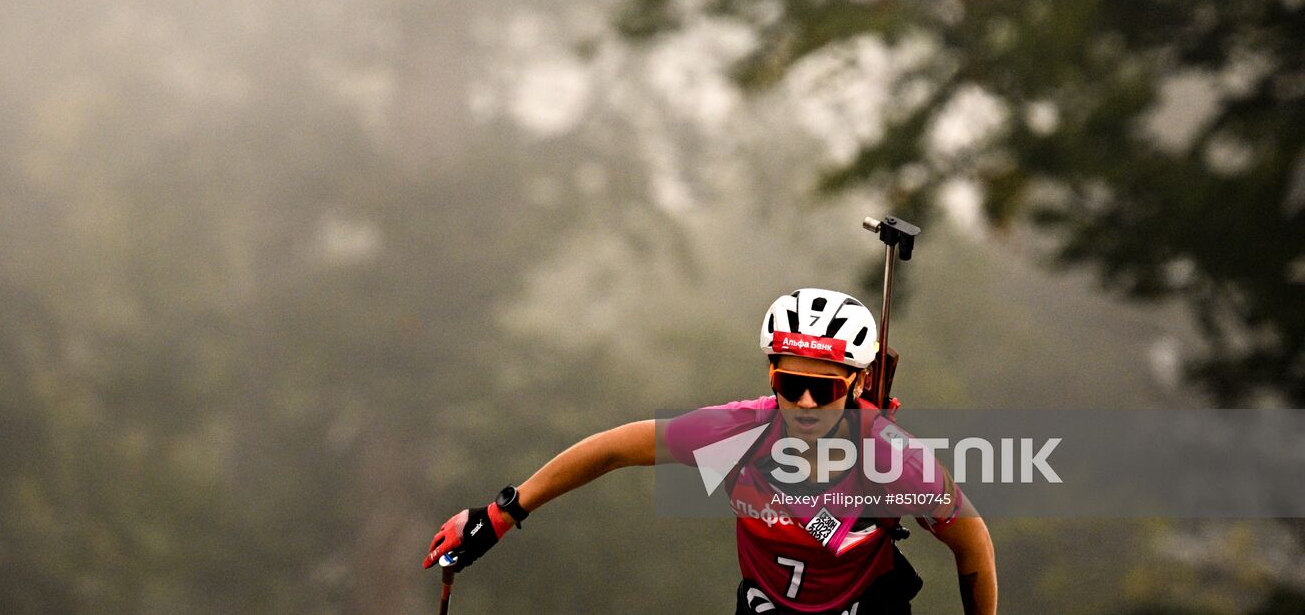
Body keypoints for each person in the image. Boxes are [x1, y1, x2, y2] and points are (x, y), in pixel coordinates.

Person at [423, 288, 997, 614]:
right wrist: (502, 512)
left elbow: (974, 549)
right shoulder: (737, 430)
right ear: (769, 373)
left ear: (853, 383)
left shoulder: (895, 460)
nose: (801, 402)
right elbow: (613, 450)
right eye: (785, 382)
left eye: (820, 389)